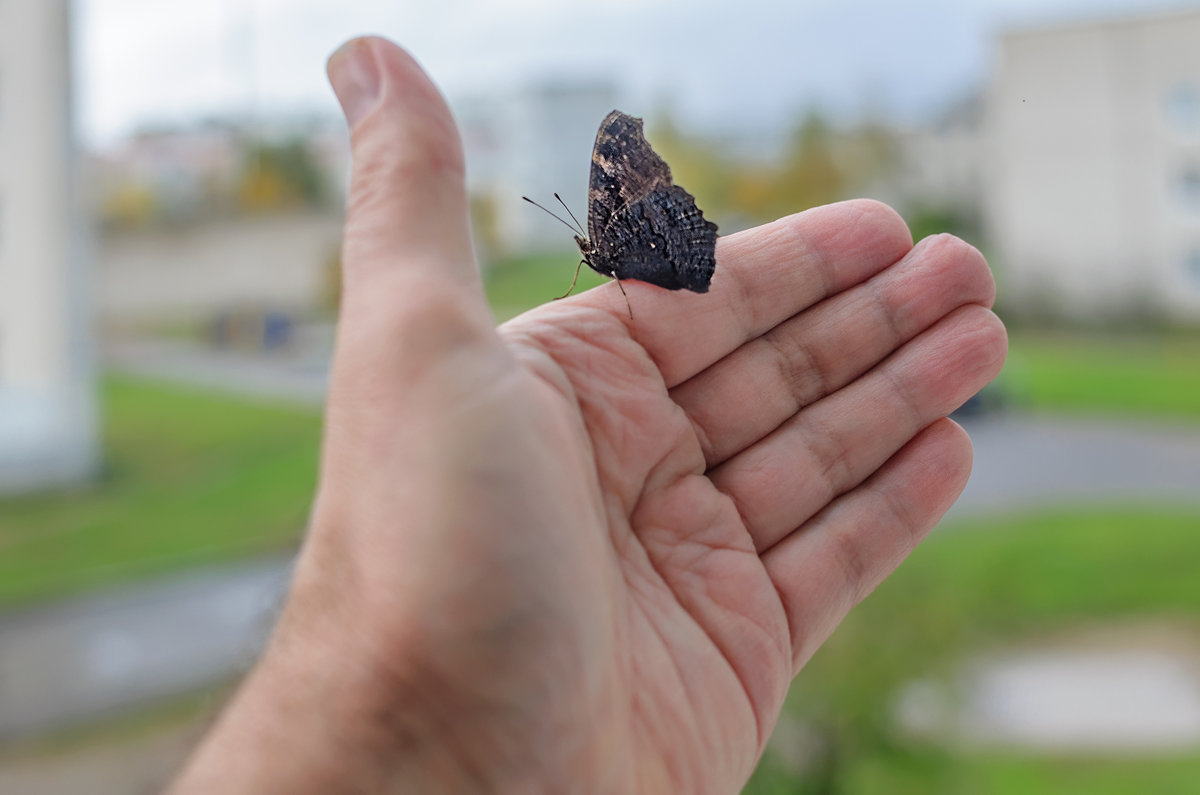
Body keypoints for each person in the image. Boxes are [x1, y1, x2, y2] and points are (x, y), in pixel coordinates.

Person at [168, 36, 1006, 794]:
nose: (585, 251)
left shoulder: (612, 239)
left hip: (675, 256)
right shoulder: (608, 249)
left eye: (586, 245)